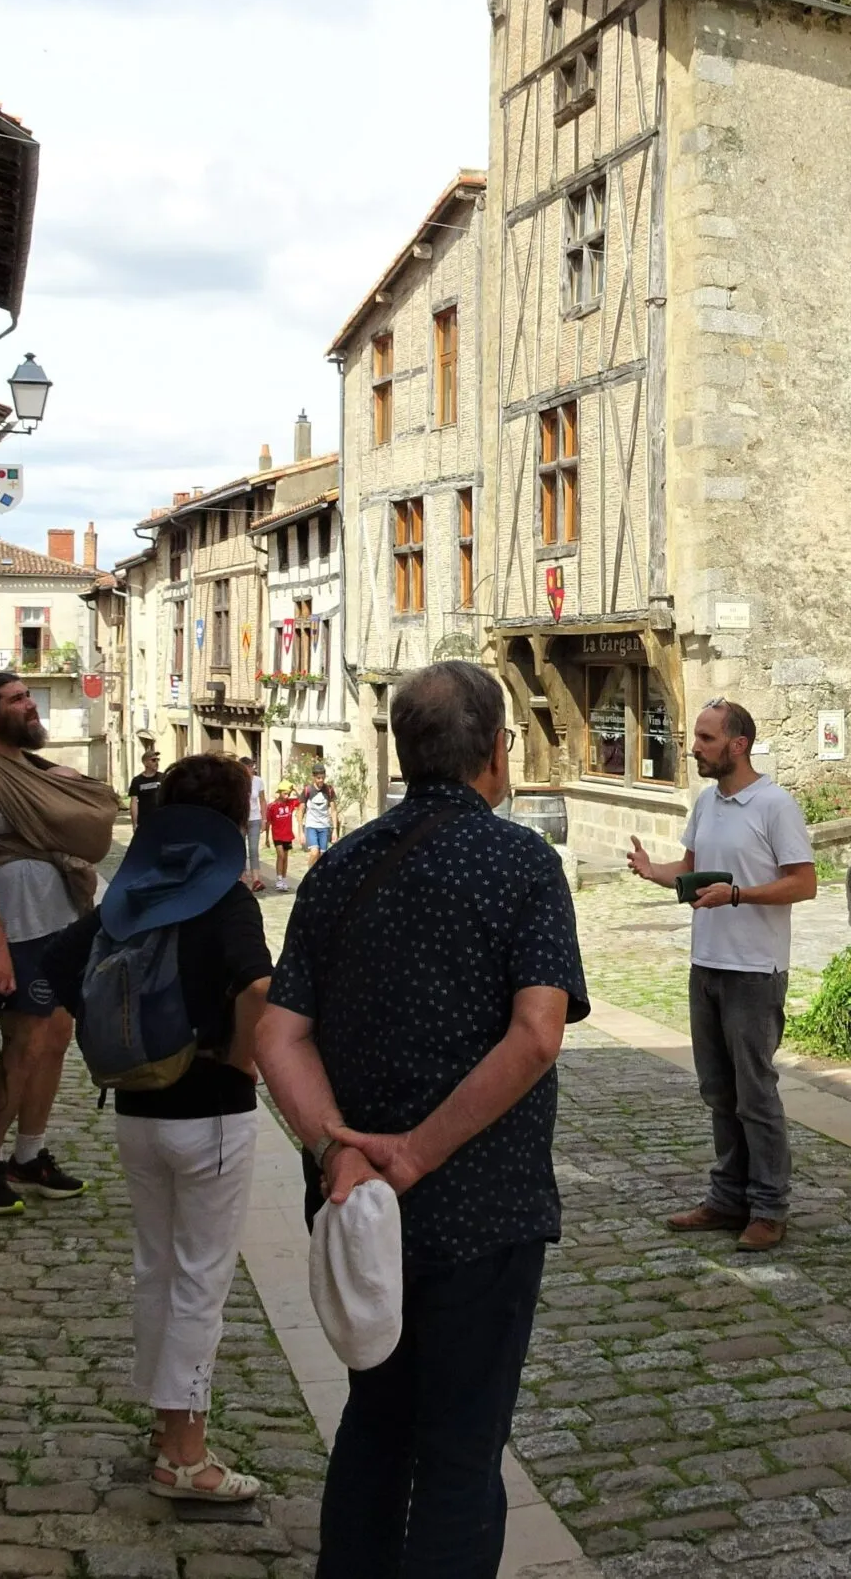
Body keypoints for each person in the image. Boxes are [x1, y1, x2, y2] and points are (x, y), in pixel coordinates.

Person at [260, 660, 588, 1578]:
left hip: (356, 1205)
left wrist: (335, 1149)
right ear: (497, 751)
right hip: (480, 1212)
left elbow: (277, 1035)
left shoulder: (338, 867)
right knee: (459, 1452)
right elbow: (536, 1035)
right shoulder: (522, 863)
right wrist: (412, 1154)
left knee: (375, 1425)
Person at [52, 755, 273, 1503]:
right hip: (210, 1110)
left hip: (138, 1108)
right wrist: (240, 1061)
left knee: (157, 1270)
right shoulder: (226, 901)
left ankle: (164, 1423)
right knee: (201, 1283)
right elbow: (261, 987)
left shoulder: (132, 894)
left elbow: (57, 967)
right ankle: (185, 1456)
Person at [627, 698, 815, 1253]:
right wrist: (651, 870)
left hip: (755, 972)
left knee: (756, 1094)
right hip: (705, 965)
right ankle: (727, 1199)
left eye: (707, 739)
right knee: (717, 1091)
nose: (694, 748)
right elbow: (688, 873)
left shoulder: (775, 805)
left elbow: (804, 883)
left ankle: (769, 1208)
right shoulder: (707, 801)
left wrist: (739, 894)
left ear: (739, 745)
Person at [0, 671, 116, 1215]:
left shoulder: (31, 767)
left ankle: (29, 1153)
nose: (30, 706)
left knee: (56, 1039)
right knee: (22, 1046)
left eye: (29, 697)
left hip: (60, 922)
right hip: (16, 929)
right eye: (18, 700)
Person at [268, 784, 298, 890]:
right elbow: (268, 822)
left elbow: (300, 801)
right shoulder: (272, 806)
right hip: (277, 835)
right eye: (285, 793)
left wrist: (295, 790)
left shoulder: (290, 803)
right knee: (280, 855)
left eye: (288, 794)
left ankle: (284, 879)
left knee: (285, 857)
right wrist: (267, 838)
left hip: (287, 835)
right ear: (280, 792)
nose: (287, 796)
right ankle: (279, 879)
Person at [300, 771, 334, 861]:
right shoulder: (308, 790)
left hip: (324, 826)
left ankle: (318, 874)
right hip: (311, 826)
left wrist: (335, 830)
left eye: (323, 778)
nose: (321, 780)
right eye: (318, 778)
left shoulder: (329, 790)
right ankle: (310, 874)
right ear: (314, 777)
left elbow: (334, 810)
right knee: (314, 852)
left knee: (322, 855)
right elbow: (300, 810)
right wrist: (301, 832)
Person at [128, 746, 165, 826]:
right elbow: (134, 803)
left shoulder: (163, 777)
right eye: (153, 760)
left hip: (162, 820)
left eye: (157, 760)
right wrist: (134, 824)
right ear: (145, 763)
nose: (156, 762)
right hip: (144, 821)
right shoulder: (137, 781)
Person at [243, 755, 267, 877]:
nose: (251, 769)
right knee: (240, 849)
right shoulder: (237, 781)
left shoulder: (258, 781)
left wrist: (264, 819)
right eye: (249, 767)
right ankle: (241, 877)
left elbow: (262, 800)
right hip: (241, 819)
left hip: (255, 818)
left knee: (253, 850)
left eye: (252, 766)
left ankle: (256, 879)